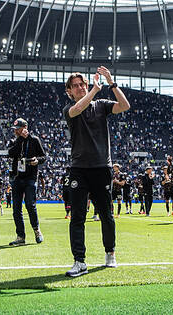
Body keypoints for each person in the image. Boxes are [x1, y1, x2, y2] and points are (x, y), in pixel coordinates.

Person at [62, 67, 130, 277]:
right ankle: (79, 261)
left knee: (106, 214)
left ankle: (110, 253)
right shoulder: (69, 109)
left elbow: (125, 105)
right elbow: (78, 109)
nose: (80, 88)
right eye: (76, 86)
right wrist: (93, 90)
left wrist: (111, 83)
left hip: (101, 168)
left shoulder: (101, 105)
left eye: (82, 84)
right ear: (69, 92)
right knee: (77, 217)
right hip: (79, 169)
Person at [7, 117, 46, 246]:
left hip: (30, 177)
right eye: (15, 129)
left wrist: (37, 161)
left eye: (18, 129)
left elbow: (43, 157)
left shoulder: (34, 140)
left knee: (30, 204)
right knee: (16, 209)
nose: (16, 131)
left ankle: (37, 231)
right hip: (17, 178)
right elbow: (11, 153)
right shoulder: (14, 141)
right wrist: (20, 140)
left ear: (25, 128)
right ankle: (20, 236)